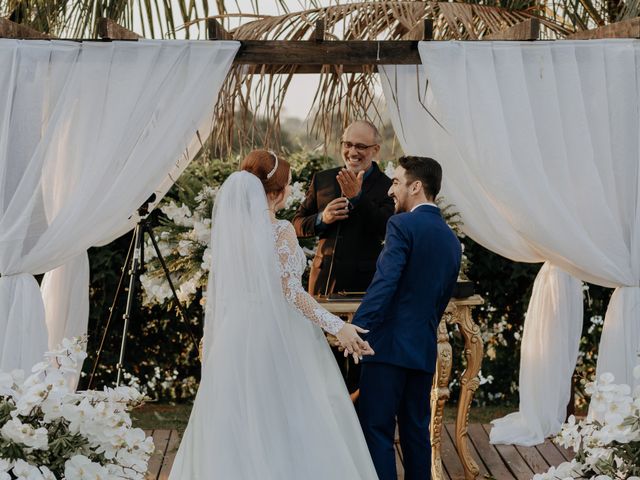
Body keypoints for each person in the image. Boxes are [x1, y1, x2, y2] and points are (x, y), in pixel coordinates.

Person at [169, 150, 379, 480]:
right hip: (275, 335)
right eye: (288, 187)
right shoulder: (279, 229)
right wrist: (338, 326)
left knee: (238, 420)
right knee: (288, 417)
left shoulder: (230, 233)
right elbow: (291, 293)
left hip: (234, 333)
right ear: (277, 192)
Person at [352, 156, 462, 480]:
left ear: (416, 186)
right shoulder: (451, 240)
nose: (390, 190)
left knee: (377, 431)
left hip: (385, 347)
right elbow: (440, 300)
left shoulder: (401, 225)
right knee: (416, 433)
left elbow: (385, 282)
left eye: (396, 182)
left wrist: (356, 328)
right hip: (422, 348)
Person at [292, 120, 394, 395]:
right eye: (348, 144)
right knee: (321, 362)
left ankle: (360, 431)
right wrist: (321, 219)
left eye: (361, 146)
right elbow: (296, 224)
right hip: (322, 285)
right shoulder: (322, 179)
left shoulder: (388, 186)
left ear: (375, 150)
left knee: (360, 364)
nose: (353, 152)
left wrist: (358, 198)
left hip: (365, 289)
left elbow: (387, 226)